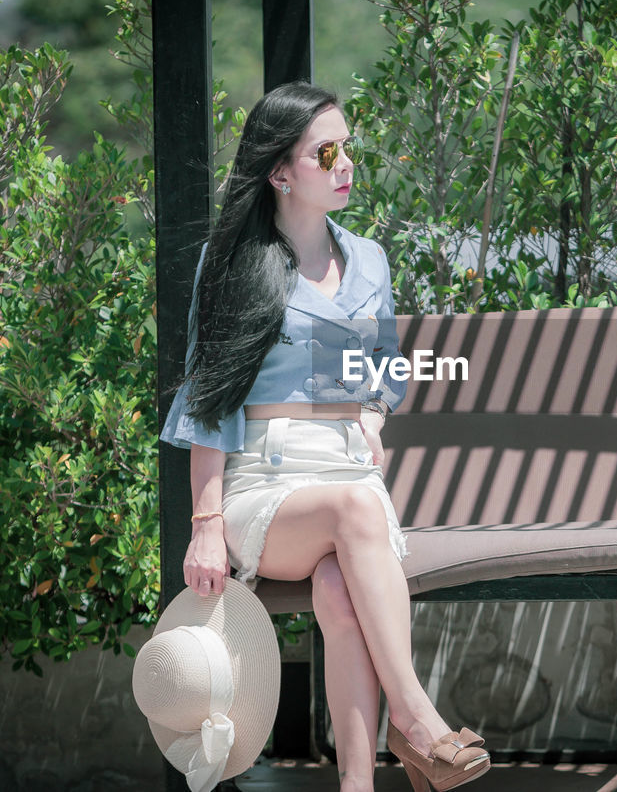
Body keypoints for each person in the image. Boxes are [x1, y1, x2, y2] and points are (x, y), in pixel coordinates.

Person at [159, 81, 490, 792]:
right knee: (356, 511)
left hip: (346, 471)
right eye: (326, 152)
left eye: (348, 148)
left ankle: (358, 785)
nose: (345, 165)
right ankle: (419, 722)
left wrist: (370, 413)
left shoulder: (368, 259)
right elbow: (208, 403)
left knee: (340, 590)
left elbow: (384, 371)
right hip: (265, 487)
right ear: (280, 172)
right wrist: (206, 523)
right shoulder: (230, 265)